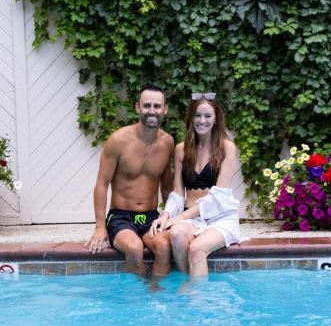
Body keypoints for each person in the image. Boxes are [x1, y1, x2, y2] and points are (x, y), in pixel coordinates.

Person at [149, 92, 243, 278]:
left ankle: (197, 294)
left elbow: (218, 197)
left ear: (216, 118)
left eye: (208, 116)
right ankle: (190, 285)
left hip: (220, 218)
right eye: (197, 115)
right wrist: (166, 215)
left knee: (196, 249)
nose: (202, 121)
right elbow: (177, 193)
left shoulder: (227, 148)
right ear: (191, 118)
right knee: (176, 234)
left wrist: (180, 217)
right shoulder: (181, 150)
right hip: (192, 220)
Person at [86, 84, 174, 277]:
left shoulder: (167, 143)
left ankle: (157, 292)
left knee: (164, 247)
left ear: (165, 109)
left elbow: (167, 187)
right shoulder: (118, 140)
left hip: (151, 217)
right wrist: (100, 227)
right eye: (147, 105)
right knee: (134, 248)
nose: (152, 111)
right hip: (121, 217)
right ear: (137, 107)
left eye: (157, 106)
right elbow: (102, 183)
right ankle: (137, 294)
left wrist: (171, 218)